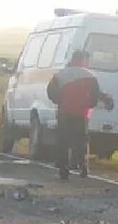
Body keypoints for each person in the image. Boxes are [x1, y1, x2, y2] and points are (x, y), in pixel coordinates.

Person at [45, 49, 111, 179]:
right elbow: (96, 94)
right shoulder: (90, 75)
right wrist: (91, 104)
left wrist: (59, 101)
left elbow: (50, 91)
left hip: (64, 112)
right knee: (81, 141)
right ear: (84, 60)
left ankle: (63, 169)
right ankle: (83, 168)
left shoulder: (61, 74)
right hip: (81, 113)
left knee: (63, 141)